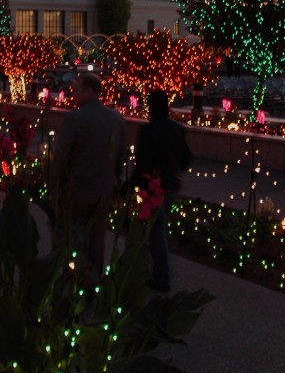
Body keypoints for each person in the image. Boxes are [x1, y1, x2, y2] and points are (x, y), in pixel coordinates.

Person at [53, 73, 126, 283]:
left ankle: (74, 280)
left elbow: (62, 156)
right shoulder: (116, 119)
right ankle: (93, 281)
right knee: (97, 239)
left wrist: (56, 186)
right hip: (102, 191)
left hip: (76, 190)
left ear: (89, 91)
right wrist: (114, 179)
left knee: (72, 236)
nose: (73, 93)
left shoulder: (74, 119)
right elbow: (121, 154)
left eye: (77, 89)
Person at [133, 89, 191, 292]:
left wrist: (133, 185)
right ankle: (157, 268)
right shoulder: (177, 129)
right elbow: (187, 158)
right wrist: (174, 170)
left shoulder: (148, 131)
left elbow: (142, 163)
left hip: (155, 189)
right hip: (173, 185)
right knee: (159, 229)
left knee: (155, 231)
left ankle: (161, 276)